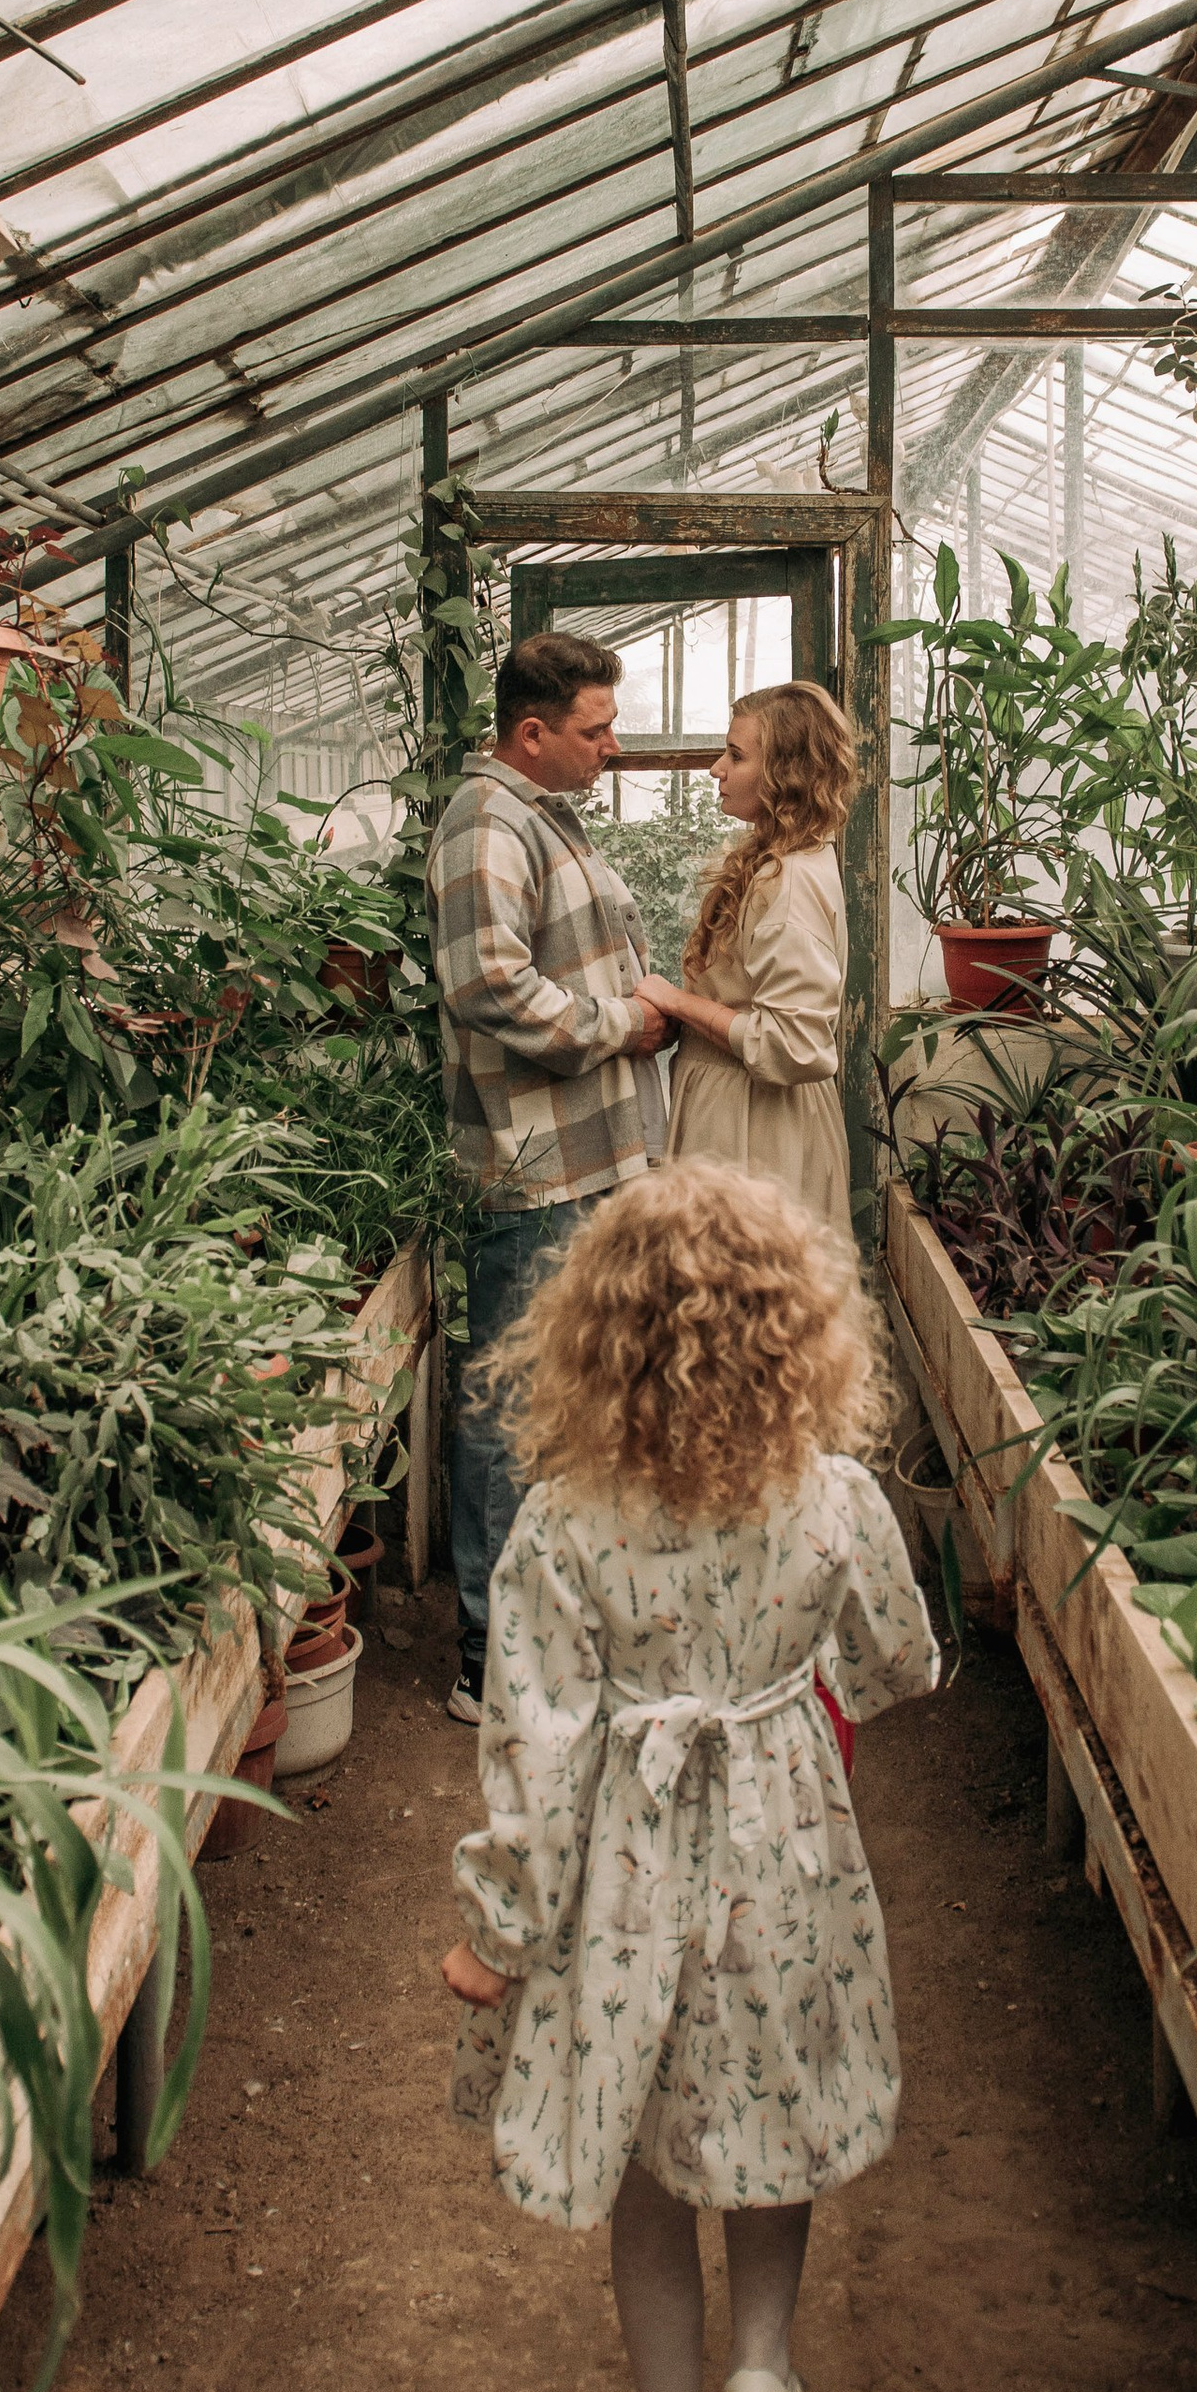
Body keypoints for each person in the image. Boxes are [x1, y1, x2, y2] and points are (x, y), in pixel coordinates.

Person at [439, 1160, 938, 2392]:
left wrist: (500, 1928)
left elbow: (536, 1755)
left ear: (593, 1336)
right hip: (787, 1860)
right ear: (800, 1335)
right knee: (770, 2116)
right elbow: (896, 1658)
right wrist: (794, 1690)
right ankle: (766, 2370)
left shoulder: (562, 1526)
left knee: (655, 2171)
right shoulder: (832, 1495)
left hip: (627, 1889)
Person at [427, 628, 671, 1726]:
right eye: (595, 729)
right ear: (532, 734)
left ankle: (551, 1627)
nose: (611, 747)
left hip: (587, 1159)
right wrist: (622, 1025)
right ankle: (488, 1660)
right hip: (535, 1170)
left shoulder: (540, 818)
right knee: (510, 1407)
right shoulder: (485, 821)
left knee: (565, 1402)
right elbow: (486, 984)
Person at [640, 678, 858, 1237]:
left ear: (785, 774)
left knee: (742, 1304)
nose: (717, 768)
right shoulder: (781, 859)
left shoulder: (788, 884)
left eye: (736, 756)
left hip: (757, 1133)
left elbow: (796, 1046)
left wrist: (678, 1002)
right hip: (741, 1117)